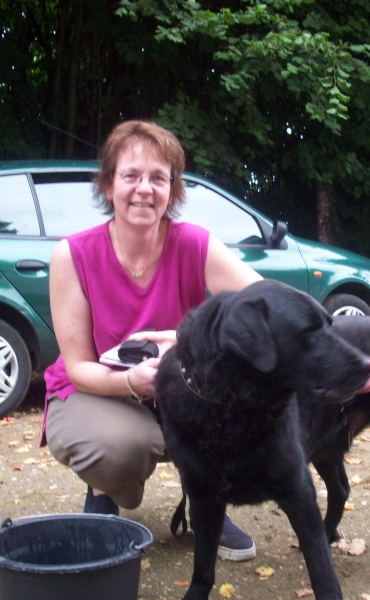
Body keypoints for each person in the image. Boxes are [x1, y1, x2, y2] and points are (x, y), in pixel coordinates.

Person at [41, 120, 263, 561]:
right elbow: (79, 366)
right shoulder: (72, 255)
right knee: (124, 446)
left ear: (172, 190)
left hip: (180, 385)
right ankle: (103, 491)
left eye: (158, 178)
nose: (145, 188)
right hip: (97, 388)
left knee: (248, 397)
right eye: (131, 176)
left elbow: (263, 304)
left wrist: (186, 340)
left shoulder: (195, 245)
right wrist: (133, 383)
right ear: (108, 186)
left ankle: (205, 502)